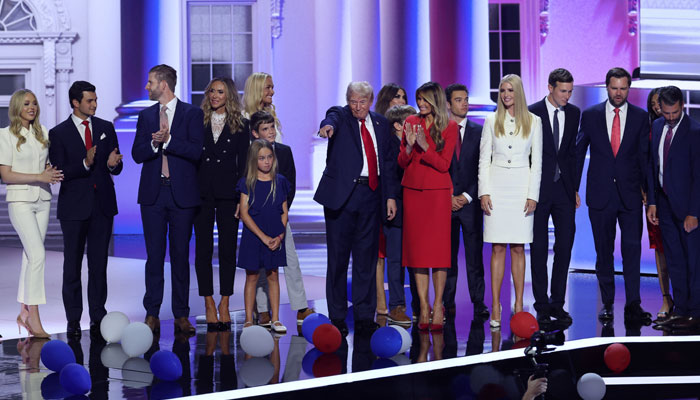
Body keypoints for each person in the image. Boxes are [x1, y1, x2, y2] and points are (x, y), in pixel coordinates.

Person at [315, 81, 398, 336]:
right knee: (338, 260)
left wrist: (390, 197)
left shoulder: (381, 124)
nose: (357, 106)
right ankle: (338, 316)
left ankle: (364, 315)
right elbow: (332, 117)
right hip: (342, 196)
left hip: (371, 196)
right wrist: (327, 126)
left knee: (366, 259)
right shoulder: (340, 115)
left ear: (371, 101)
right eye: (353, 101)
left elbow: (388, 162)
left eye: (362, 102)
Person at [131, 64, 204, 335]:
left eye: (150, 82)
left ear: (164, 84)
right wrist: (153, 144)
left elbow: (197, 151)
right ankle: (152, 313)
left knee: (180, 256)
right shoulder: (146, 115)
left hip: (182, 194)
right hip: (153, 194)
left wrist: (170, 140)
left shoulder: (192, 114)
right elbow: (138, 153)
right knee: (154, 257)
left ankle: (181, 315)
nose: (147, 87)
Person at [576, 67, 651, 323]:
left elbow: (645, 158)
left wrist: (648, 193)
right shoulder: (591, 115)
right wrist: (573, 188)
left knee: (632, 251)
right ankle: (607, 303)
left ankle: (633, 305)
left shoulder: (641, 117)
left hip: (630, 195)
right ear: (606, 88)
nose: (618, 93)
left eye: (623, 88)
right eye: (614, 88)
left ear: (628, 89)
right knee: (603, 252)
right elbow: (578, 153)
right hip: (600, 195)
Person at [48, 81, 123, 339]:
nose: (94, 104)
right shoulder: (58, 133)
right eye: (89, 101)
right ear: (75, 103)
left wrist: (113, 165)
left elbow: (115, 164)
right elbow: (59, 171)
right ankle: (72, 319)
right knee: (71, 266)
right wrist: (84, 162)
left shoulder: (105, 127)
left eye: (95, 99)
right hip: (74, 208)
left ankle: (97, 317)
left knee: (99, 265)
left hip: (101, 205)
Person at [478, 74, 542, 329]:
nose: (506, 95)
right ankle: (495, 304)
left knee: (518, 248)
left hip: (520, 188)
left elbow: (536, 162)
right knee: (497, 249)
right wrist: (484, 192)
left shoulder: (534, 122)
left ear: (519, 93)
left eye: (511, 90)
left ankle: (518, 304)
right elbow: (483, 159)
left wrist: (532, 195)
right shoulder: (491, 120)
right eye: (503, 90)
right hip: (496, 187)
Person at [0, 89, 63, 338]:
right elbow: (6, 175)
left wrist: (49, 172)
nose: (32, 107)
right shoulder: (5, 136)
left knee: (30, 256)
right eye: (26, 103)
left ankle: (23, 311)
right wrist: (39, 175)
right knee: (38, 255)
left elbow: (44, 164)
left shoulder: (43, 133)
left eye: (34, 103)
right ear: (16, 107)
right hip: (20, 201)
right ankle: (34, 315)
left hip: (43, 199)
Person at [398, 81, 458, 331]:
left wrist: (425, 146)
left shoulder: (450, 126)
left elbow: (444, 165)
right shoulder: (411, 122)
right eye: (418, 99)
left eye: (425, 100)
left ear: (434, 101)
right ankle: (423, 306)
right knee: (418, 255)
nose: (421, 104)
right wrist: (411, 146)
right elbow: (401, 161)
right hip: (413, 193)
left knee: (438, 255)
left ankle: (438, 304)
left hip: (436, 195)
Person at [194, 77, 249, 331]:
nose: (215, 95)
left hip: (229, 195)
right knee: (203, 250)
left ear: (229, 96)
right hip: (201, 194)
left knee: (228, 250)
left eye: (220, 92)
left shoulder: (241, 125)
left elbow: (244, 166)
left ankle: (225, 301)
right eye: (212, 91)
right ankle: (207, 302)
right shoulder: (197, 120)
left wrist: (242, 198)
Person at [250, 110, 314, 326]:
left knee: (290, 259)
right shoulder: (250, 154)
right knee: (260, 263)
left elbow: (291, 185)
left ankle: (301, 306)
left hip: (279, 215)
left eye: (272, 127)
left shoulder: (284, 152)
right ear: (254, 133)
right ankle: (262, 310)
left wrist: (281, 213)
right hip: (256, 217)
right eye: (265, 129)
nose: (270, 132)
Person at [527, 69, 581, 326]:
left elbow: (571, 154)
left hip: (564, 190)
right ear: (550, 88)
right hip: (538, 190)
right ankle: (542, 304)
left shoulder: (574, 113)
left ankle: (558, 303)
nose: (567, 96)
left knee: (564, 245)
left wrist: (574, 188)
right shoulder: (532, 112)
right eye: (563, 91)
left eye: (570, 91)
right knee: (538, 247)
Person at [646, 85, 700, 331]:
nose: (669, 117)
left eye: (674, 112)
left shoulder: (694, 131)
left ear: (681, 106)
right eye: (666, 112)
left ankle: (696, 311)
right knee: (675, 260)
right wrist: (654, 202)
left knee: (693, 262)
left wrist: (694, 212)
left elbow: (699, 176)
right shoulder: (657, 127)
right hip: (664, 204)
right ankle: (680, 309)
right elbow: (652, 165)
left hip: (688, 208)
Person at [443, 83, 489, 320]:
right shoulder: (439, 132)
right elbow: (438, 170)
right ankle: (447, 302)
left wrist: (467, 196)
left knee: (474, 257)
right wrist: (448, 197)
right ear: (448, 104)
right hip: (445, 204)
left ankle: (478, 301)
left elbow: (483, 169)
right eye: (459, 100)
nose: (465, 103)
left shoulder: (479, 132)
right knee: (447, 257)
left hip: (470, 204)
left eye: (466, 99)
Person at [238, 139, 290, 333]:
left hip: (275, 235)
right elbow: (244, 212)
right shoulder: (247, 183)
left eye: (269, 157)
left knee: (273, 275)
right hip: (254, 235)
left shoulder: (280, 181)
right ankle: (249, 319)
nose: (266, 162)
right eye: (261, 158)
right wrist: (263, 237)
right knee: (251, 276)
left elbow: (284, 212)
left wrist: (279, 236)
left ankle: (275, 319)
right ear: (254, 160)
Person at [379, 104, 416, 325]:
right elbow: (390, 176)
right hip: (395, 208)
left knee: (415, 259)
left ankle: (419, 305)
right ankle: (397, 305)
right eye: (411, 122)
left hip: (414, 207)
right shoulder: (390, 145)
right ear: (398, 125)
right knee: (395, 260)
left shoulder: (412, 143)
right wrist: (391, 198)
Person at [644, 87, 672, 322]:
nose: (656, 106)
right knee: (660, 250)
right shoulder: (648, 129)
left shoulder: (680, 128)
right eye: (653, 103)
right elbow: (643, 164)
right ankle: (665, 297)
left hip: (675, 200)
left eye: (659, 102)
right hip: (653, 200)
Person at [242, 72, 281, 142]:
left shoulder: (270, 115)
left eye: (272, 88)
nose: (272, 92)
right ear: (256, 90)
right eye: (268, 87)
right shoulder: (244, 119)